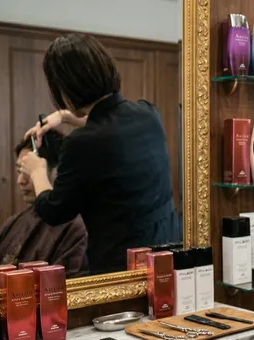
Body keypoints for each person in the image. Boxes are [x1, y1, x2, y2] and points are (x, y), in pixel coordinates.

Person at [18, 33, 181, 275]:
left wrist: (37, 171)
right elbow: (111, 125)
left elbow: (54, 211)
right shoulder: (148, 113)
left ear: (64, 89)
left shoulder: (80, 144)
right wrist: (64, 117)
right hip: (170, 254)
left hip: (121, 268)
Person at [0, 132, 89, 278]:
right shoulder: (14, 222)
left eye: (28, 172)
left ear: (58, 171)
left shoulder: (76, 228)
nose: (20, 181)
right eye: (19, 171)